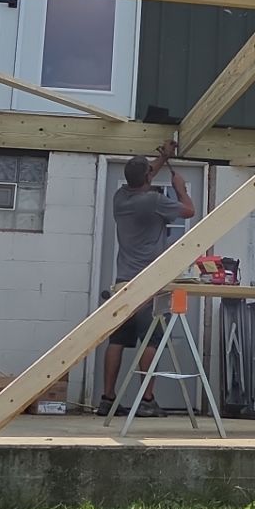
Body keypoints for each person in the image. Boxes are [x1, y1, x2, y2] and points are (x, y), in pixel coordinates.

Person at [98, 140, 195, 417]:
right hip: (149, 285)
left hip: (122, 285)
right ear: (147, 179)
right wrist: (181, 189)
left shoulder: (120, 197)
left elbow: (145, 172)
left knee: (117, 340)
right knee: (151, 340)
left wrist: (163, 157)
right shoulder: (153, 201)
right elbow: (189, 211)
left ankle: (107, 398)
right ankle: (146, 400)